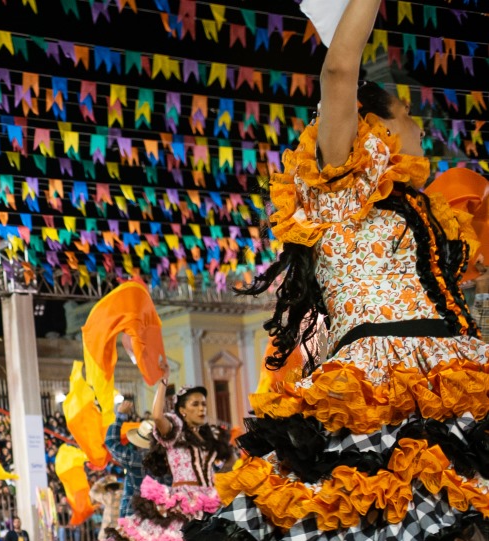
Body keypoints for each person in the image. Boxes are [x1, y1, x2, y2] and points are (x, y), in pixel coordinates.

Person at [187, 2, 489, 540]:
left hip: (454, 372)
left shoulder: (418, 208)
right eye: (407, 116)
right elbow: (338, 71)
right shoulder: (339, 189)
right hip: (374, 379)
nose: (420, 127)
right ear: (373, 125)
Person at [110, 384, 230, 541]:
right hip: (184, 502)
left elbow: (112, 443)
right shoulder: (174, 439)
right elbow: (158, 417)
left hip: (208, 500)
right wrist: (162, 383)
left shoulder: (201, 439)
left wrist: (120, 418)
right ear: (182, 411)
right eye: (195, 404)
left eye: (203, 404)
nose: (202, 409)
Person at [103, 397, 148, 517]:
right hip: (162, 519)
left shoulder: (137, 460)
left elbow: (111, 441)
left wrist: (120, 416)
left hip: (135, 516)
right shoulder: (170, 459)